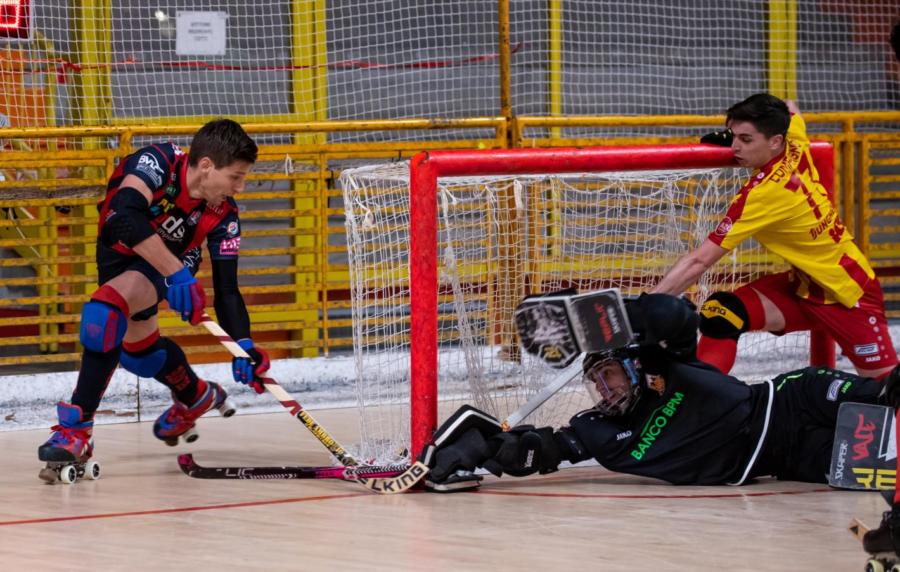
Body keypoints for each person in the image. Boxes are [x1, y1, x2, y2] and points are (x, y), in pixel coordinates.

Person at [422, 293, 896, 488]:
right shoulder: (598, 431)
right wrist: (482, 451)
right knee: (880, 468)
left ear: (630, 365)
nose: (601, 391)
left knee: (885, 399)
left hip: (788, 399)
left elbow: (677, 317)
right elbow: (539, 451)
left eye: (606, 375)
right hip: (779, 460)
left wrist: (618, 319)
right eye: (593, 384)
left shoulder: (663, 362)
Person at [37, 119, 271, 475]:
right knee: (140, 356)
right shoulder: (157, 161)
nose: (239, 187)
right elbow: (122, 216)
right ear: (206, 166)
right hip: (123, 254)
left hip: (165, 267)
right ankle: (196, 394)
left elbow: (227, 290)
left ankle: (76, 429)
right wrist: (174, 271)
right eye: (235, 177)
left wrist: (244, 346)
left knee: (103, 316)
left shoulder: (225, 215)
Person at [651, 93, 897, 380]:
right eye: (733, 137)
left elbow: (699, 261)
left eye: (745, 140)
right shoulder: (794, 140)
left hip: (847, 294)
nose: (734, 147)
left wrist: (648, 304)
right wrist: (743, 133)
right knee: (722, 313)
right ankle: (701, 402)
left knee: (888, 393)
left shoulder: (763, 194)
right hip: (804, 287)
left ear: (775, 141)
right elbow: (791, 107)